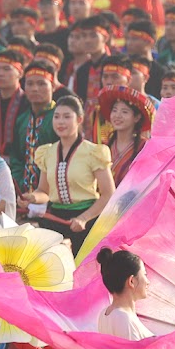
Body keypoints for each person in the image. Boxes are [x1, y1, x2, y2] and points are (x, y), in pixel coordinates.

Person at [27, 96, 115, 254]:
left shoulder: (93, 152)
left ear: (79, 119)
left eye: (67, 117)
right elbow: (43, 192)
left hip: (86, 219)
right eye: (57, 116)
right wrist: (32, 198)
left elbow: (108, 194)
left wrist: (84, 218)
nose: (60, 122)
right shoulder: (47, 152)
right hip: (55, 218)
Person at [99, 86, 152, 186]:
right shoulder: (104, 146)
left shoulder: (144, 147)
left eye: (124, 112)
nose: (117, 115)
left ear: (136, 117)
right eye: (114, 110)